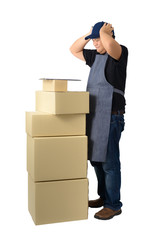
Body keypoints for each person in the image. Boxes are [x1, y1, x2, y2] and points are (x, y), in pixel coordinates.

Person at [70, 21, 128, 220]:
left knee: (109, 163)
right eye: (94, 39)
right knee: (96, 161)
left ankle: (113, 205)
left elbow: (110, 45)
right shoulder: (94, 57)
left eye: (98, 39)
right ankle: (103, 197)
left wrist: (104, 33)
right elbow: (74, 49)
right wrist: (90, 33)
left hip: (111, 117)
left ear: (109, 36)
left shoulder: (119, 53)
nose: (95, 43)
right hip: (94, 116)